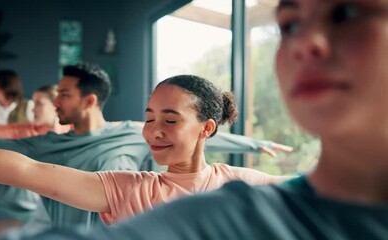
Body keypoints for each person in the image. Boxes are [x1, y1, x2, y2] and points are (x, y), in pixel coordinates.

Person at [25, 0, 387, 239]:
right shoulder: (230, 211)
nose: (304, 42)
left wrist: (254, 143)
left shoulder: (248, 184)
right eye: (289, 25)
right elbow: (28, 170)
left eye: (346, 14)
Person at [0, 64, 291, 237]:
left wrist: (255, 144)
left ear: (206, 128)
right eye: (149, 118)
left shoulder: (244, 184)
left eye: (170, 120)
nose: (152, 131)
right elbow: (22, 169)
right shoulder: (128, 189)